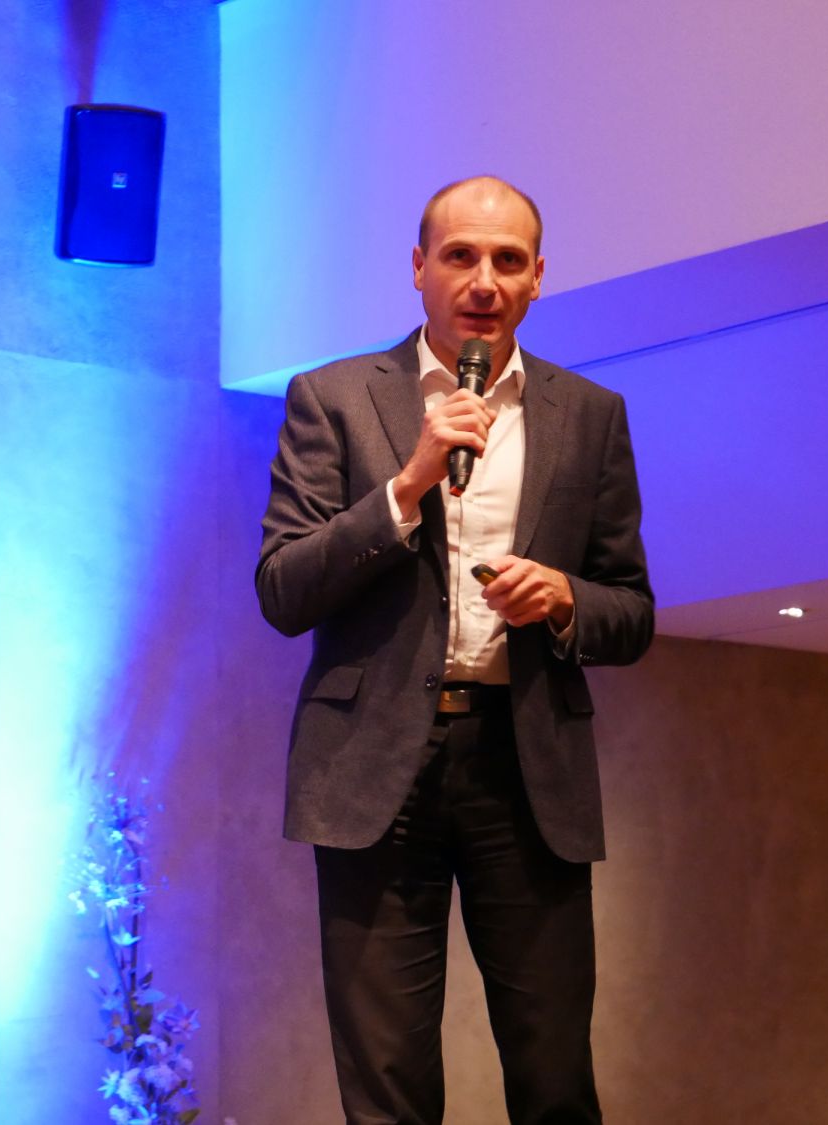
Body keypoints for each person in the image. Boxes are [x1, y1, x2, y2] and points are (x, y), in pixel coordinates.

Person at [256, 176, 653, 1123]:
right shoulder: (333, 397)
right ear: (419, 268)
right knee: (387, 1084)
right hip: (372, 772)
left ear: (538, 277)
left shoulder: (589, 413)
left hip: (526, 765)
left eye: (508, 261)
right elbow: (282, 589)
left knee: (555, 1079)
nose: (484, 280)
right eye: (461, 256)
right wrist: (406, 486)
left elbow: (632, 611)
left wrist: (565, 599)